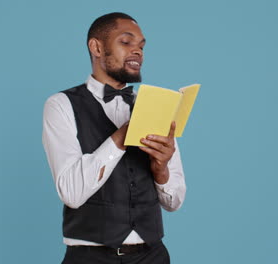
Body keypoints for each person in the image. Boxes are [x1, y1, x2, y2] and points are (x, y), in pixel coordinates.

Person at [42, 12, 186, 264]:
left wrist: (161, 169)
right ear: (96, 47)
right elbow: (71, 193)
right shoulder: (61, 105)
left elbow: (175, 202)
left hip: (152, 255)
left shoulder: (155, 107)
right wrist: (120, 137)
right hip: (90, 257)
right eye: (126, 42)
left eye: (141, 46)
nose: (138, 52)